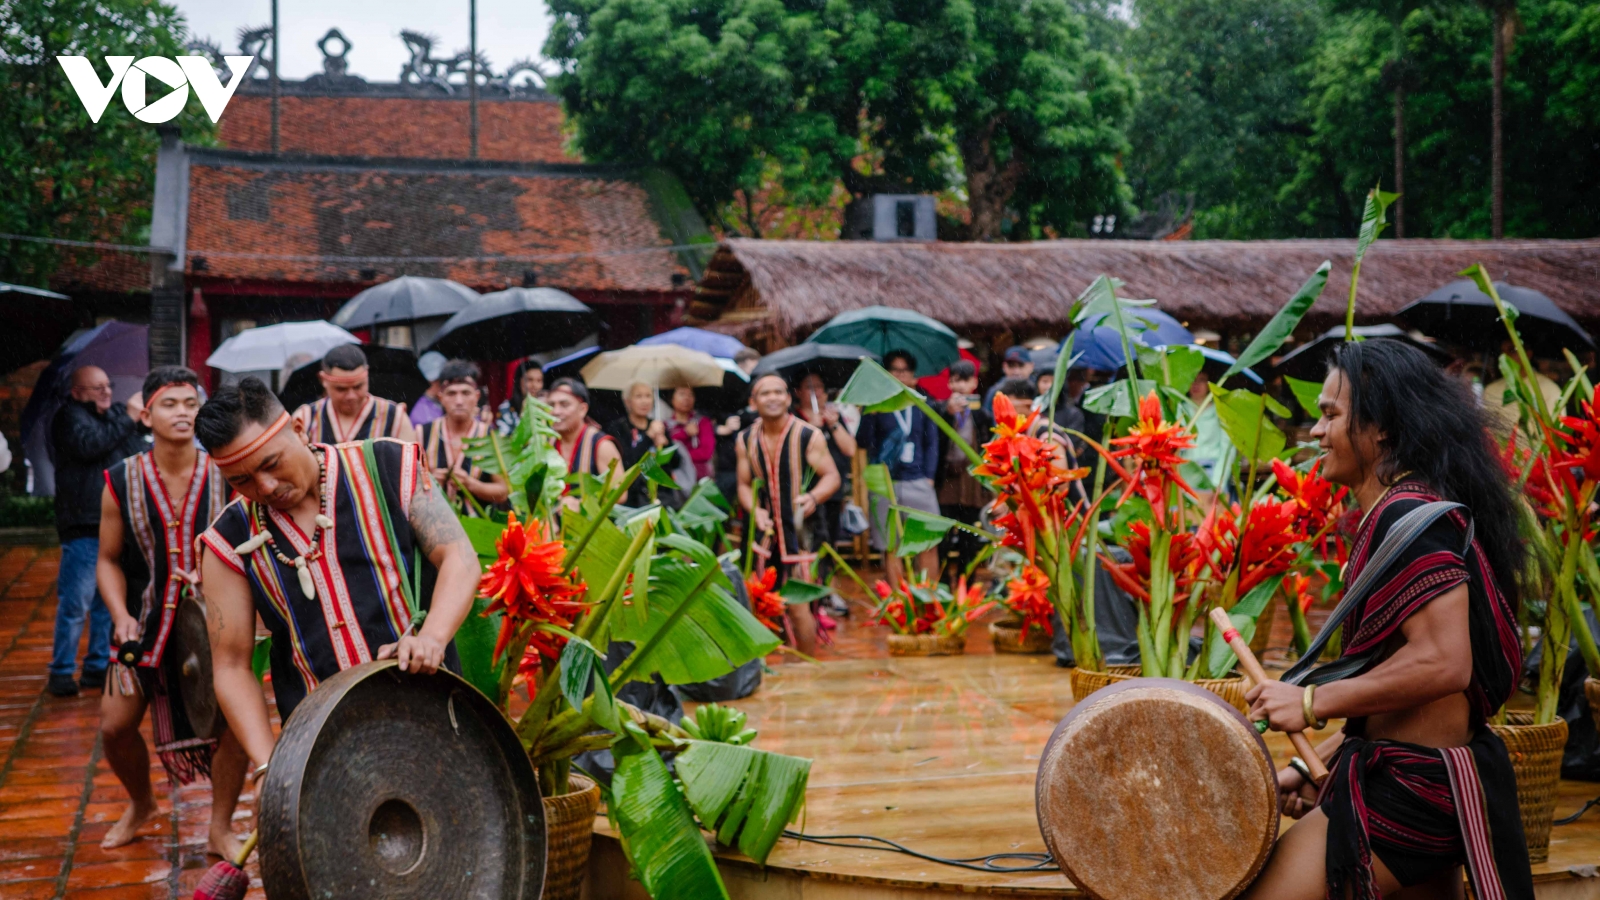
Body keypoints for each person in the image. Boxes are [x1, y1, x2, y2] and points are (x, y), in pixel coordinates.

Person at [1241, 339, 1533, 900]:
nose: (1316, 431)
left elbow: (1444, 663)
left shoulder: (1408, 517)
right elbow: (1403, 704)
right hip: (1425, 777)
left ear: (1381, 430)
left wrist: (1310, 701)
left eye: (1331, 415)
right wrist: (1310, 765)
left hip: (1411, 792)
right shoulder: (1400, 513)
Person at [195, 377, 481, 783]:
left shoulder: (388, 466)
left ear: (298, 428)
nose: (266, 487)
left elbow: (459, 557)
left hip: (432, 712)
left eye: (271, 464)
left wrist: (432, 638)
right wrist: (267, 768)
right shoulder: (228, 540)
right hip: (321, 746)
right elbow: (231, 665)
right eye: (241, 481)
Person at [95, 366, 248, 856]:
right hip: (143, 624)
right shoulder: (121, 479)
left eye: (190, 403)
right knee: (115, 726)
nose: (182, 413)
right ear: (146, 415)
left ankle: (220, 827)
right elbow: (107, 559)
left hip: (217, 622)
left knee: (233, 725)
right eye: (170, 404)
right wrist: (119, 614)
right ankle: (142, 803)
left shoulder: (226, 472)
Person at [48, 365, 145, 696]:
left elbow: (133, 453)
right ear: (77, 393)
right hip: (84, 524)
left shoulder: (114, 417)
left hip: (115, 525)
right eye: (97, 388)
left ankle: (97, 666)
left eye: (108, 385)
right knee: (76, 602)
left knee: (108, 602)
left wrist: (138, 421)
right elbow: (91, 445)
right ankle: (61, 671)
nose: (106, 392)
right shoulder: (68, 418)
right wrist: (128, 418)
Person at [735, 374, 841, 656]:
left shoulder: (808, 435)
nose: (772, 398)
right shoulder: (745, 439)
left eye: (778, 392)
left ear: (788, 398)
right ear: (753, 402)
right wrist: (755, 509)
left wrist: (813, 497)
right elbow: (743, 484)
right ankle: (774, 669)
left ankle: (806, 667)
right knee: (764, 604)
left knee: (798, 605)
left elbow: (832, 476)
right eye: (765, 393)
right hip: (765, 534)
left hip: (801, 532)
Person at [856, 350, 942, 589]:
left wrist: (929, 477)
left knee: (928, 541)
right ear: (886, 374)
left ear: (913, 375)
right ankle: (898, 597)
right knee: (890, 544)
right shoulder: (876, 404)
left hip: (918, 480)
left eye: (905, 371)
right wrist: (869, 414)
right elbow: (862, 441)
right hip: (886, 482)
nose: (900, 375)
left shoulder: (923, 403)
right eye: (895, 370)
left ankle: (928, 594)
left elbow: (932, 443)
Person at [418, 360, 508, 514]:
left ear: (476, 396)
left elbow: (503, 492)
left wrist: (471, 484)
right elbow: (408, 488)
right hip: (434, 523)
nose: (459, 401)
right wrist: (430, 483)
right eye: (451, 393)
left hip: (479, 525)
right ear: (441, 397)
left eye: (466, 393)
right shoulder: (423, 433)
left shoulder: (491, 437)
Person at [293, 344, 417, 444]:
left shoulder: (394, 418)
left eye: (358, 387)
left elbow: (410, 464)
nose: (351, 396)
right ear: (323, 380)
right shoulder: (305, 419)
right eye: (341, 389)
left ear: (367, 376)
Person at [936, 360, 992, 574]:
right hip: (947, 480)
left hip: (973, 482)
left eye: (965, 380)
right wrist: (948, 414)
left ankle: (966, 583)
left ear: (974, 383)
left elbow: (987, 447)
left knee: (969, 539)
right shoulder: (940, 409)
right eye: (955, 380)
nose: (960, 385)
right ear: (949, 383)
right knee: (943, 538)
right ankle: (941, 583)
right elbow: (936, 443)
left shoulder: (982, 414)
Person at [550, 378, 622, 492]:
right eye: (551, 405)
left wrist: (580, 502)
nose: (556, 411)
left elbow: (619, 492)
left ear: (582, 409)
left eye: (564, 405)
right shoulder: (546, 443)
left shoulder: (602, 445)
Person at [605, 382, 669, 505]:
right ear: (627, 401)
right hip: (633, 496)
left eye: (648, 396)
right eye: (638, 396)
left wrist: (665, 444)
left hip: (660, 495)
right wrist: (648, 437)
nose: (644, 401)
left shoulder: (659, 426)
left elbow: (675, 463)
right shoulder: (618, 428)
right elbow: (627, 462)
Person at [666, 386, 716, 482]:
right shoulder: (665, 425)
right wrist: (684, 434)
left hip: (701, 477)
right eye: (682, 394)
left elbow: (706, 452)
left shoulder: (703, 422)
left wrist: (680, 457)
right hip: (675, 478)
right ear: (672, 399)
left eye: (690, 395)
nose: (687, 398)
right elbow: (668, 450)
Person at [496, 358, 545, 435]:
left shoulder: (546, 405)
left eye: (539, 380)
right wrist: (524, 414)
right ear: (519, 381)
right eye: (529, 380)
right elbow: (505, 438)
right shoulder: (506, 408)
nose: (535, 385)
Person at [983, 346, 1035, 412]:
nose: (1016, 371)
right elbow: (988, 415)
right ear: (1004, 367)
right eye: (1011, 365)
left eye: (1021, 365)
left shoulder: (1039, 387)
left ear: (1031, 366)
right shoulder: (995, 391)